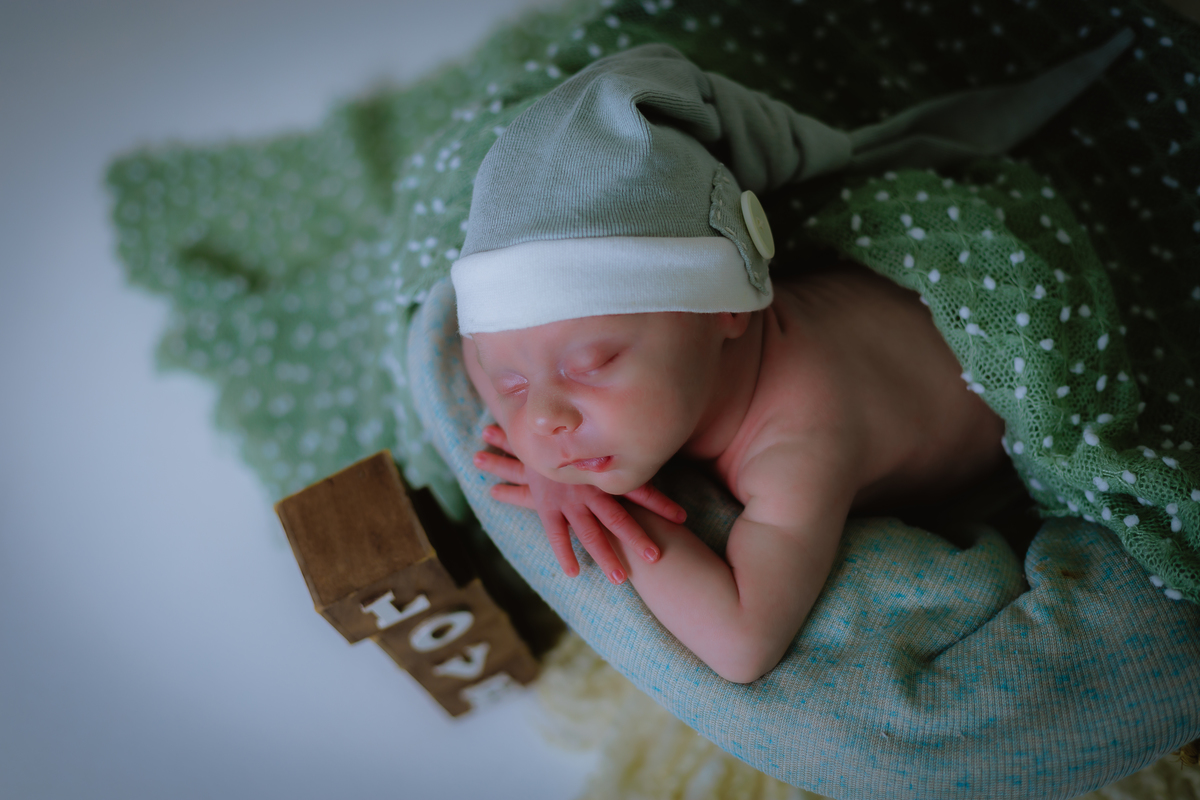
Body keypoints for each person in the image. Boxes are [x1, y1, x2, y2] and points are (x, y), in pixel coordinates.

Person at [449, 37, 1132, 682]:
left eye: (591, 364)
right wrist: (546, 464)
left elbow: (742, 643)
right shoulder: (606, 367)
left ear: (726, 310)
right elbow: (478, 347)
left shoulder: (797, 445)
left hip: (996, 346)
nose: (543, 418)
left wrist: (614, 513)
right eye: (513, 383)